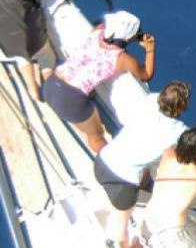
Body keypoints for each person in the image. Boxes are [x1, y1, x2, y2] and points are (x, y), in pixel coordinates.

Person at [94, 81, 190, 248]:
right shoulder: (179, 131)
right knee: (120, 222)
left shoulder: (150, 101)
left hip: (102, 160)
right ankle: (122, 246)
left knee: (141, 174)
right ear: (182, 108)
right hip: (122, 182)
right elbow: (191, 150)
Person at [42, 10, 155, 153]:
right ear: (129, 37)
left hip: (51, 83)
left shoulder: (97, 32)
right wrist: (150, 49)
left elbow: (103, 26)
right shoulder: (122, 59)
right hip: (70, 100)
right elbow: (146, 74)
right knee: (96, 137)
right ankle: (114, 169)